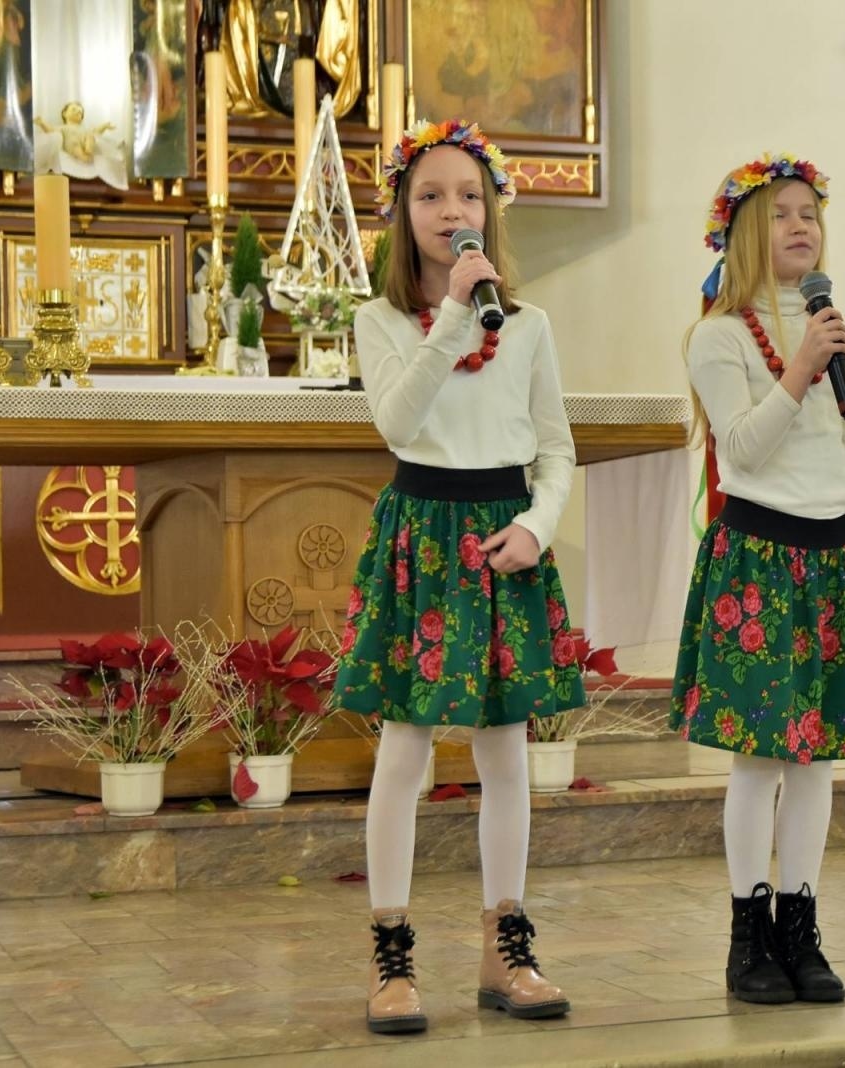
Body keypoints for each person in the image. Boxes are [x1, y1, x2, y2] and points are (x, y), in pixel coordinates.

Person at [335, 119, 584, 1035]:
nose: (453, 210)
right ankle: (391, 953)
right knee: (404, 749)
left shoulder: (528, 327)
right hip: (423, 537)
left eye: (469, 195)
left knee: (505, 753)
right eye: (432, 195)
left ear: (492, 212)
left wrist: (535, 523)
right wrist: (449, 319)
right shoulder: (379, 321)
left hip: (502, 537)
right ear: (403, 213)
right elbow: (400, 425)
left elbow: (556, 450)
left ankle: (504, 943)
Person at [672, 153, 845, 1005]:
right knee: (761, 759)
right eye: (784, 214)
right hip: (759, 557)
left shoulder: (838, 326)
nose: (803, 226)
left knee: (817, 762)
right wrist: (799, 364)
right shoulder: (719, 337)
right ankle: (747, 933)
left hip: (832, 555)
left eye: (812, 213)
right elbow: (744, 448)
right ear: (743, 235)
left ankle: (802, 930)